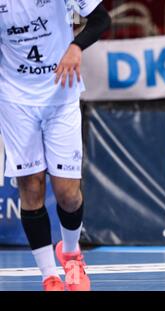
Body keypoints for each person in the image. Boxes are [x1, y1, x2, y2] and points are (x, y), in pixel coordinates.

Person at [0, 0, 111, 291]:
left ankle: (71, 253)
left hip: (62, 93)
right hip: (16, 100)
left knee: (68, 195)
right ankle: (49, 275)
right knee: (31, 186)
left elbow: (101, 19)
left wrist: (76, 47)